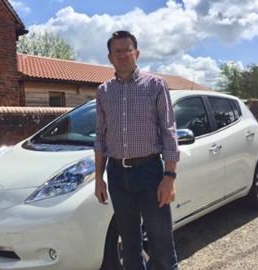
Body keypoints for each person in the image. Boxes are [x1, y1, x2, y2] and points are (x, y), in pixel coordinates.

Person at [94, 30, 180, 270]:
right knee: (129, 243)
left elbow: (168, 131)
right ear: (110, 57)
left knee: (161, 241)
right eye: (117, 51)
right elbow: (100, 137)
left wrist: (169, 176)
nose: (122, 55)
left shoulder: (155, 85)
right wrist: (99, 179)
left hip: (150, 171)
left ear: (137, 53)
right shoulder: (103, 91)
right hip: (117, 175)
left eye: (127, 50)